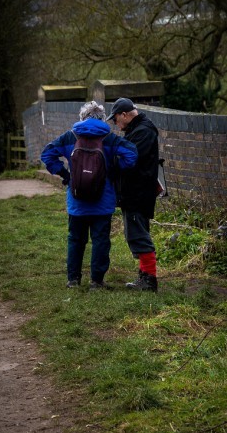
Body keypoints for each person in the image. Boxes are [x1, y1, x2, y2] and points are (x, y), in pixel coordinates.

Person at [41, 101, 138, 289]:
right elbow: (132, 155)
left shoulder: (70, 137)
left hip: (76, 200)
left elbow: (47, 155)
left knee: (76, 239)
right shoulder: (109, 138)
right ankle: (96, 281)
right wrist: (113, 171)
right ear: (102, 118)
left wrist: (65, 175)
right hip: (103, 200)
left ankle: (73, 280)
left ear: (82, 117)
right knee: (100, 240)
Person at [106, 98, 159, 292]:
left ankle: (149, 280)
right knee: (136, 233)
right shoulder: (138, 130)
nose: (115, 124)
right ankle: (144, 277)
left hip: (138, 192)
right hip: (136, 191)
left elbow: (130, 160)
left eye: (115, 119)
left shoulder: (143, 131)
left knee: (138, 236)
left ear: (125, 115)